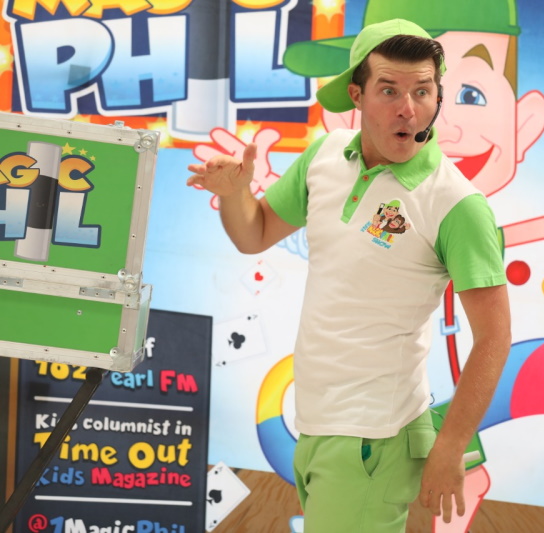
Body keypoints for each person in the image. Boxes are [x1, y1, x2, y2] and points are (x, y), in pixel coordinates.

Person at [187, 18, 511, 533]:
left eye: (422, 91)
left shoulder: (457, 204)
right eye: (389, 90)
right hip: (317, 421)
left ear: (437, 97)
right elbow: (255, 233)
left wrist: (451, 445)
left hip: (373, 439)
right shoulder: (325, 156)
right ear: (357, 95)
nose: (408, 108)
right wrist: (234, 194)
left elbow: (494, 336)